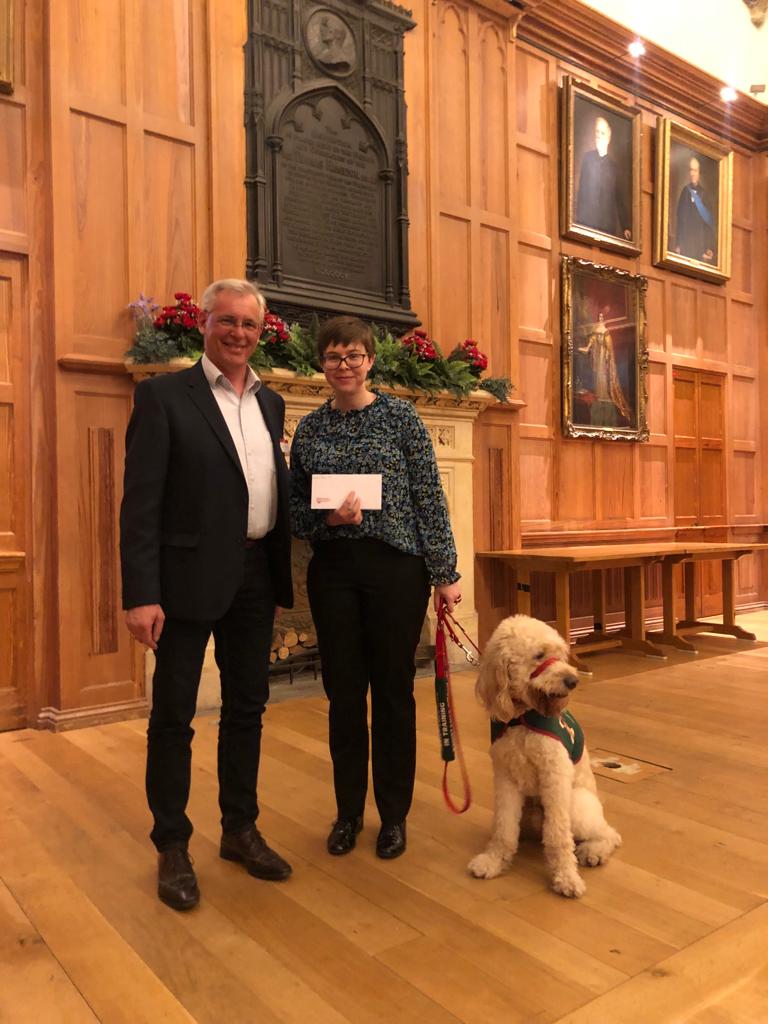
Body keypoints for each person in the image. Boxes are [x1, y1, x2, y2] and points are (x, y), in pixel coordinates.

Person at [120, 278, 294, 911]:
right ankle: (171, 843)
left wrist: (281, 571)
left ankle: (239, 829)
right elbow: (141, 505)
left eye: (249, 324)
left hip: (255, 577)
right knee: (174, 716)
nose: (238, 333)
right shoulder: (164, 397)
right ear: (204, 324)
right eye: (227, 321)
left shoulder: (271, 403)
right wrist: (141, 593)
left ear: (260, 331)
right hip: (185, 582)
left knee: (247, 708)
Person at [289, 316, 461, 860]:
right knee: (343, 696)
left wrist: (446, 573)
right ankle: (347, 814)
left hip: (396, 570)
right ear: (322, 364)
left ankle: (393, 816)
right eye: (334, 356)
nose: (344, 365)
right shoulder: (310, 430)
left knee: (392, 693)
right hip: (335, 571)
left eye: (354, 356)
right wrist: (329, 519)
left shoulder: (401, 418)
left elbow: (429, 497)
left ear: (370, 361)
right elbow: (296, 512)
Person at [575, 116, 632, 240]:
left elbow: (620, 200)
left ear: (609, 137)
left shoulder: (615, 168)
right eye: (597, 132)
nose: (599, 136)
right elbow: (582, 192)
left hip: (607, 227)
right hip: (587, 224)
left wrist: (626, 226)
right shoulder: (587, 159)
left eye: (602, 133)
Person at [577, 313, 631, 428]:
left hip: (603, 356)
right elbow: (592, 340)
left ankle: (604, 394)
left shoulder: (605, 332)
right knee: (598, 376)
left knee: (603, 375)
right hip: (598, 355)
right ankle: (600, 393)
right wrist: (588, 348)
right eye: (599, 317)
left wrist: (607, 355)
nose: (600, 319)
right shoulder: (596, 331)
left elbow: (608, 346)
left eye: (602, 317)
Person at [675, 156, 716, 262]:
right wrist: (678, 243)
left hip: (700, 242)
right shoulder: (685, 191)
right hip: (686, 241)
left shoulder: (704, 194)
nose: (692, 173)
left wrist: (709, 247)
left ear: (699, 173)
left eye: (695, 170)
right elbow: (680, 220)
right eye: (691, 170)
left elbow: (708, 223)